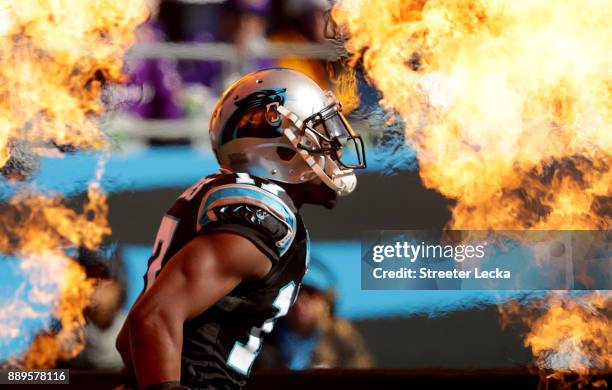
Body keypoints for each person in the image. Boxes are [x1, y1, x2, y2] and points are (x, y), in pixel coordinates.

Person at [115, 67, 367, 390]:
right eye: (319, 134)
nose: (335, 148)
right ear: (281, 149)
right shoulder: (260, 220)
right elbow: (153, 318)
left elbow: (129, 341)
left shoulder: (235, 202)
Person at [257, 258, 373, 370]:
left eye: (311, 293)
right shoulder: (261, 340)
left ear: (327, 302)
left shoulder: (342, 342)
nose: (300, 301)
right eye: (295, 293)